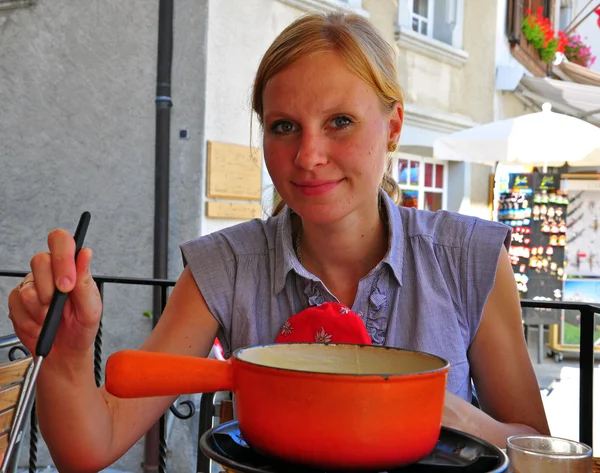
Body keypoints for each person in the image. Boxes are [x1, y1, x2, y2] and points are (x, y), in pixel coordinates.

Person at [7, 11, 549, 473]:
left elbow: (540, 451)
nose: (309, 156)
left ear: (393, 127)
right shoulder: (226, 266)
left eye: (339, 121)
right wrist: (71, 356)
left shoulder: (469, 257)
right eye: (284, 126)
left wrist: (443, 412)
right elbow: (91, 445)